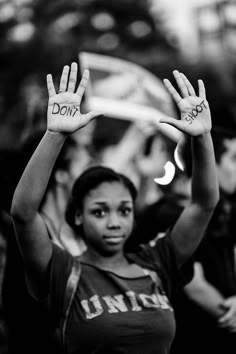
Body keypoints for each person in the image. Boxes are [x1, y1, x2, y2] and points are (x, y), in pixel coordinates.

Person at [10, 62, 219, 353]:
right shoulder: (63, 273)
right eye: (99, 211)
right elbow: (23, 214)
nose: (114, 222)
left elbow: (203, 203)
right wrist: (55, 135)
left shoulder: (157, 264)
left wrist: (202, 138)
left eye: (124, 210)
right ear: (78, 216)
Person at [171, 127, 236, 354]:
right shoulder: (171, 212)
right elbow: (194, 285)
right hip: (191, 339)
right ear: (209, 162)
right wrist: (231, 315)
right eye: (233, 158)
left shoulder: (224, 213)